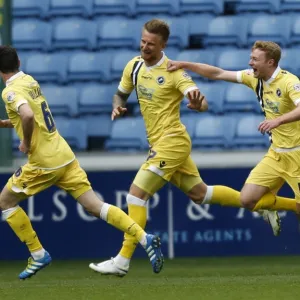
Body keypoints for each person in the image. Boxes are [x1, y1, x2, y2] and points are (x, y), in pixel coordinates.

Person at [88, 21, 291, 277]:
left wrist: (198, 104)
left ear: (163, 45)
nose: (145, 47)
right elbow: (120, 94)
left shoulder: (174, 72)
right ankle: (269, 205)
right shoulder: (134, 65)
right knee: (201, 194)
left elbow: (199, 98)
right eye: (143, 41)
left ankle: (123, 259)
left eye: (151, 43)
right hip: (163, 144)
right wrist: (117, 105)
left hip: (171, 143)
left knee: (135, 197)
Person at [0, 45, 164, 280]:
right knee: (94, 206)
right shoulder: (28, 80)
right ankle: (143, 237)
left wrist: (25, 142)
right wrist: (8, 123)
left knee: (5, 201)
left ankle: (38, 254)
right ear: (19, 62)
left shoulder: (9, 92)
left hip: (44, 162)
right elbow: (31, 114)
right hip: (64, 155)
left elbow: (26, 115)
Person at [167, 40, 300, 217]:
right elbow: (218, 73)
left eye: (255, 59)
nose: (250, 63)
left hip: (297, 154)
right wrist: (184, 64)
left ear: (270, 62)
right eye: (250, 58)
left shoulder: (289, 82)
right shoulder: (254, 78)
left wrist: (278, 121)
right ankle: (284, 207)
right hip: (276, 154)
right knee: (247, 200)